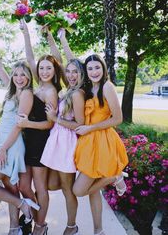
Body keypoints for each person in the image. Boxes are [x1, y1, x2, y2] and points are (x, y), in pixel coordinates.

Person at [51, 29, 128, 235]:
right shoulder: (85, 88)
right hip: (87, 144)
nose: (94, 71)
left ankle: (115, 176)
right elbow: (71, 62)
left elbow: (118, 119)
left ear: (103, 68)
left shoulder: (107, 87)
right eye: (90, 68)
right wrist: (62, 39)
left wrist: (91, 127)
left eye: (97, 67)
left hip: (103, 140)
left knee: (79, 190)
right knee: (94, 191)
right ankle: (99, 230)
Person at [0, 32, 40, 235]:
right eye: (16, 74)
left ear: (29, 77)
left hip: (11, 146)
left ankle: (23, 204)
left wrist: (3, 149)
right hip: (3, 143)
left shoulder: (27, 93)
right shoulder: (11, 90)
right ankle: (14, 229)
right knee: (10, 188)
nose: (19, 78)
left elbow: (20, 125)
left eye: (23, 74)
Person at [17, 19, 62, 235]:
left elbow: (49, 124)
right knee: (25, 187)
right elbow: (30, 57)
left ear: (54, 71)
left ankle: (41, 227)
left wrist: (26, 124)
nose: (44, 71)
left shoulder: (51, 91)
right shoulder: (38, 85)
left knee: (40, 188)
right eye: (41, 68)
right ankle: (35, 218)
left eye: (48, 68)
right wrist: (26, 32)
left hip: (41, 144)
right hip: (28, 142)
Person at [39, 28, 85, 235]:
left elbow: (79, 126)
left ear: (81, 74)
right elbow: (61, 59)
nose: (71, 74)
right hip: (55, 139)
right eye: (69, 71)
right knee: (50, 184)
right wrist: (54, 37)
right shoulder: (69, 89)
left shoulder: (78, 94)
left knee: (67, 188)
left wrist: (55, 118)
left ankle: (71, 226)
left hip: (66, 141)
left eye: (75, 72)